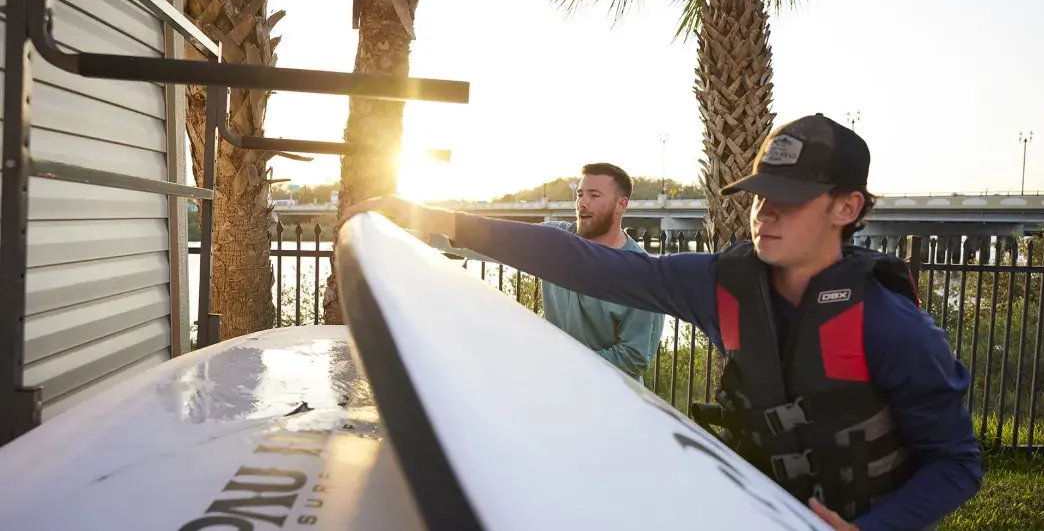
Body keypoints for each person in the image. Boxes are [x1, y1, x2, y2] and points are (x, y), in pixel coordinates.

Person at [340, 113, 982, 531]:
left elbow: (957, 465)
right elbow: (586, 264)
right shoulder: (719, 286)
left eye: (789, 199)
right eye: (760, 194)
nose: (765, 212)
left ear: (847, 206)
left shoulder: (891, 324)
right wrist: (442, 220)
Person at [430, 163, 666, 381]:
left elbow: (635, 357)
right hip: (552, 389)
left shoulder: (640, 274)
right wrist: (428, 231)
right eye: (580, 194)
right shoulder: (556, 242)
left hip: (610, 401)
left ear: (621, 205)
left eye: (594, 196)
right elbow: (497, 242)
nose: (583, 203)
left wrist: (565, 364)